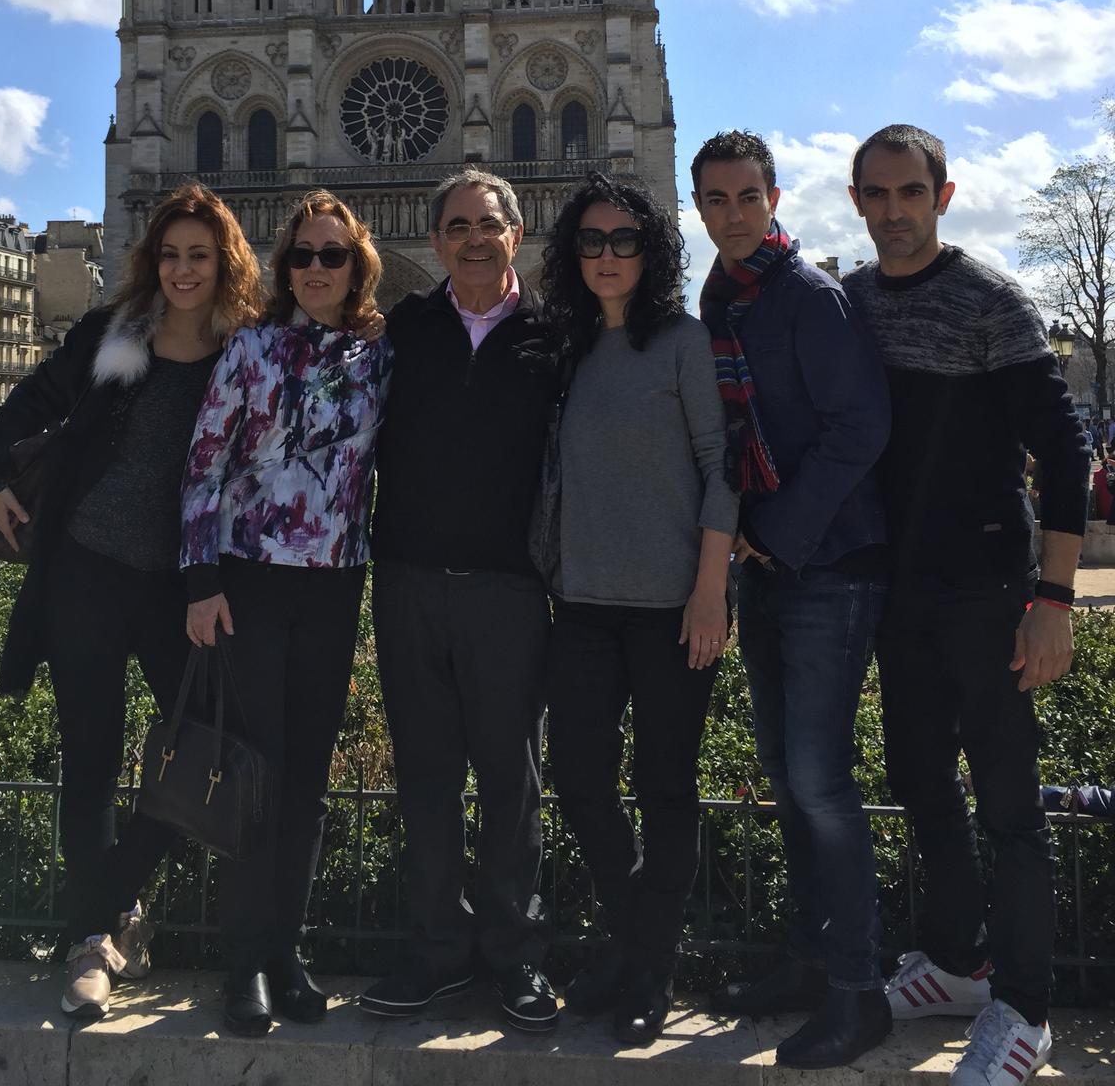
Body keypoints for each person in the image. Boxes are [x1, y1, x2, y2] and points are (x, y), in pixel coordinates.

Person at [0, 184, 264, 1020]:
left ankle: (107, 902)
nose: (182, 269)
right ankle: (96, 942)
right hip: (87, 572)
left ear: (225, 263)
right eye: (170, 254)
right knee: (91, 758)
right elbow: (29, 400)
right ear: (153, 261)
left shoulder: (243, 351)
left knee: (207, 746)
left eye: (199, 256)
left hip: (185, 587)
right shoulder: (114, 335)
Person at [843, 124, 1090, 1086]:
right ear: (858, 200)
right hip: (902, 588)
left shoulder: (993, 299)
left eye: (911, 193)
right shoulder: (854, 301)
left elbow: (1065, 456)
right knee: (920, 782)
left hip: (988, 587)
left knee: (1008, 804)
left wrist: (1055, 598)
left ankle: (1026, 1008)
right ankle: (955, 962)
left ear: (943, 198)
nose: (894, 212)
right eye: (878, 194)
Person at [692, 130, 893, 1068]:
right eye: (716, 201)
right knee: (787, 781)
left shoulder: (810, 297)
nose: (732, 214)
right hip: (769, 567)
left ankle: (859, 993)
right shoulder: (720, 297)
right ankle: (809, 960)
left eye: (746, 197)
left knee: (821, 784)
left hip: (826, 563)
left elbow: (862, 426)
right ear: (700, 210)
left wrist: (777, 533)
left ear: (773, 199)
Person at [181, 191, 392, 1039]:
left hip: (335, 583)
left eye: (331, 255)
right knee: (256, 777)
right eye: (302, 255)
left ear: (357, 265)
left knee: (306, 777)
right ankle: (245, 964)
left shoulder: (378, 357)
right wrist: (200, 579)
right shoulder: (251, 349)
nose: (314, 269)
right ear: (284, 267)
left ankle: (288, 952)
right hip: (251, 580)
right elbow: (203, 464)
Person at [539, 171, 738, 1045]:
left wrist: (710, 591)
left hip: (669, 607)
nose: (607, 255)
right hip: (580, 603)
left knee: (666, 790)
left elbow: (721, 466)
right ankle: (636, 940)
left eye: (624, 240)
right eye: (590, 241)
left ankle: (646, 968)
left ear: (650, 252)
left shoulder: (684, 342)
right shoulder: (565, 347)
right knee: (579, 781)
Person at [359, 169, 560, 1032]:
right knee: (427, 779)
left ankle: (516, 958)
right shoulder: (403, 325)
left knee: (512, 779)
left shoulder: (556, 334)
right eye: (457, 226)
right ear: (433, 239)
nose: (473, 238)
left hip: (510, 588)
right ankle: (439, 951)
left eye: (489, 224)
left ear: (517, 234)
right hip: (407, 580)